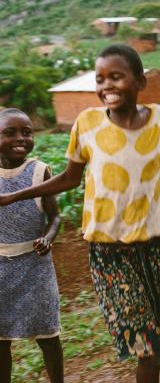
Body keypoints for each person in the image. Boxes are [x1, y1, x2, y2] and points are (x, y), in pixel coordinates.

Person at [0, 45, 160, 383]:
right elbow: (70, 178)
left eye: (116, 77)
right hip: (109, 255)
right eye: (100, 79)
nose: (106, 85)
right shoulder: (87, 124)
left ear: (139, 82)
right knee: (147, 346)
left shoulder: (159, 119)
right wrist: (13, 196)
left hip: (156, 248)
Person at [0, 109, 63, 383]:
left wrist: (48, 237)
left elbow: (56, 216)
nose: (20, 139)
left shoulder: (40, 172)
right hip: (1, 270)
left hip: (36, 268)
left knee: (48, 336)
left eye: (27, 132)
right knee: (1, 340)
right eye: (10, 133)